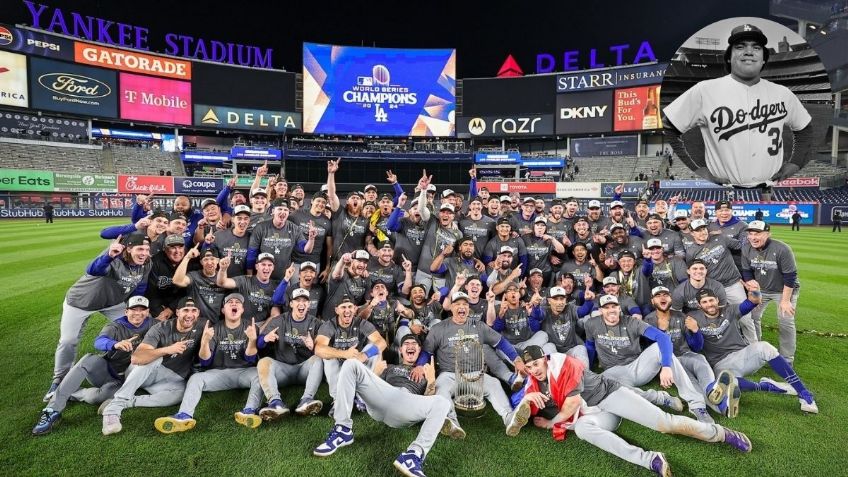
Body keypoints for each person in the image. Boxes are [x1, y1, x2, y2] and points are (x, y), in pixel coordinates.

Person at [509, 346, 751, 476]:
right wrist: (527, 396)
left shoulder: (565, 365)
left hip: (609, 396)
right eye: (529, 367)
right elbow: (520, 404)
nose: (535, 370)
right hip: (593, 414)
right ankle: (651, 460)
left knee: (666, 424)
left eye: (537, 364)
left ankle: (720, 433)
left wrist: (551, 424)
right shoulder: (533, 380)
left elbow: (571, 404)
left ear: (546, 359)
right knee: (582, 430)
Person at [664, 23, 814, 187]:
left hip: (771, 188)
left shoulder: (783, 93)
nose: (749, 52)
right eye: (740, 46)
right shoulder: (704, 90)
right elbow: (668, 127)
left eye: (756, 47)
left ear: (763, 58)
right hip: (723, 189)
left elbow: (804, 128)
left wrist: (796, 162)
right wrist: (695, 169)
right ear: (729, 56)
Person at [312, 335, 452, 477]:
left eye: (414, 343)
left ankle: (413, 455)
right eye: (406, 344)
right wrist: (376, 372)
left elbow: (428, 405)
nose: (410, 345)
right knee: (351, 364)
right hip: (383, 397)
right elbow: (368, 390)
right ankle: (343, 429)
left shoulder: (424, 372)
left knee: (443, 402)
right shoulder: (390, 367)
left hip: (407, 403)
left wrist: (431, 380)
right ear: (401, 350)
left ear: (419, 350)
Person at [44, 233, 152, 402]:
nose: (144, 253)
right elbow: (94, 270)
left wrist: (135, 309)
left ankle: (133, 368)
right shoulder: (115, 259)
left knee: (141, 323)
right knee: (68, 340)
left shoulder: (146, 263)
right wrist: (108, 256)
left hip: (112, 304)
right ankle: (59, 381)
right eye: (140, 249)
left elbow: (140, 287)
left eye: (147, 249)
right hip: (81, 302)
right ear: (129, 249)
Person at [686, 289, 818, 415]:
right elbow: (696, 347)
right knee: (726, 384)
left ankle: (804, 393)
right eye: (704, 302)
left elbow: (750, 303)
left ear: (717, 299)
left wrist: (755, 293)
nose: (709, 304)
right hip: (719, 364)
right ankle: (766, 386)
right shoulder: (693, 318)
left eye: (711, 300)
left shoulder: (729, 309)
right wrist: (695, 331)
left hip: (743, 355)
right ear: (699, 305)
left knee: (765, 347)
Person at [414, 291, 529, 437]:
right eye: (458, 304)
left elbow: (501, 342)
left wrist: (517, 360)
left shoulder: (479, 326)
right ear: (451, 307)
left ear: (469, 308)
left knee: (494, 383)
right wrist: (419, 365)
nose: (462, 307)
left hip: (477, 374)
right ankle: (451, 422)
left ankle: (509, 418)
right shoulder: (439, 328)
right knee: (440, 389)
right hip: (450, 375)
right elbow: (427, 351)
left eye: (465, 304)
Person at [33, 296, 153, 436]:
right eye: (134, 309)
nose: (138, 313)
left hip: (122, 382)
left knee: (97, 398)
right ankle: (52, 410)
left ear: (148, 311)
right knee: (88, 360)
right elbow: (99, 341)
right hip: (107, 372)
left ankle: (70, 392)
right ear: (126, 311)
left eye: (142, 310)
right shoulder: (115, 326)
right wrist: (114, 344)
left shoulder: (154, 324)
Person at [584, 295, 714, 422]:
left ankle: (697, 406)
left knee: (658, 347)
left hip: (638, 367)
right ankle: (660, 398)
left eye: (614, 306)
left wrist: (666, 366)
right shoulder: (591, 324)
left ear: (619, 308)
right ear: (600, 310)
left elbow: (663, 338)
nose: (611, 310)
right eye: (606, 307)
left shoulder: (631, 322)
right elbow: (589, 346)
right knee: (611, 388)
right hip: (613, 371)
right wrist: (589, 370)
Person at [153, 293, 259, 433]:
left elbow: (250, 359)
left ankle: (249, 411)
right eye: (230, 302)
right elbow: (205, 361)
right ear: (223, 310)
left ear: (242, 309)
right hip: (219, 373)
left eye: (237, 302)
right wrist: (204, 342)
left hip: (244, 372)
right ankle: (184, 415)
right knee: (196, 378)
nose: (234, 304)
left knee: (261, 375)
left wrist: (252, 340)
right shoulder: (214, 329)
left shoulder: (251, 328)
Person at [101, 297, 207, 435]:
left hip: (169, 379)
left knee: (182, 393)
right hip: (145, 372)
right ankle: (113, 409)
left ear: (198, 313)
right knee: (154, 358)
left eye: (194, 311)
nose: (190, 314)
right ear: (178, 312)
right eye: (185, 310)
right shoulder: (160, 328)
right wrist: (167, 350)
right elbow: (137, 358)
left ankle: (128, 402)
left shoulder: (203, 325)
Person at [235, 288, 324, 427]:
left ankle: (306, 400)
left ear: (309, 304)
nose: (301, 304)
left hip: (304, 370)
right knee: (264, 362)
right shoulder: (279, 320)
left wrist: (314, 347)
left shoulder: (316, 323)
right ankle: (276, 403)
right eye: (298, 301)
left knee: (318, 360)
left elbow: (325, 350)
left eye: (305, 301)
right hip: (283, 370)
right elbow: (258, 344)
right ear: (291, 304)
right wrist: (265, 339)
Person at [741, 221, 800, 363]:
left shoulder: (782, 249)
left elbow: (790, 276)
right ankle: (756, 349)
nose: (753, 237)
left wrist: (785, 301)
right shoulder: (746, 248)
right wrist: (750, 284)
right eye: (751, 233)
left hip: (783, 290)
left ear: (768, 234)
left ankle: (787, 358)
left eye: (758, 233)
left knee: (785, 320)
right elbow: (747, 271)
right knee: (751, 317)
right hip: (761, 290)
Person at [314, 295, 388, 406]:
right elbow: (318, 349)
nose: (347, 310)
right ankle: (337, 399)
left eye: (350, 307)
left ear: (354, 309)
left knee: (372, 349)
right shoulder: (329, 325)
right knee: (328, 357)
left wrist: (364, 355)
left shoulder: (361, 323)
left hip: (356, 363)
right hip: (337, 368)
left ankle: (362, 395)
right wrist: (344, 354)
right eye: (343, 307)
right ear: (337, 310)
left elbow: (382, 342)